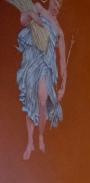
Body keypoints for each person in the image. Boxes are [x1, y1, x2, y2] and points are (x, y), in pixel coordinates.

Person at [14, 0, 68, 160]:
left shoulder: (59, 31)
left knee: (42, 97)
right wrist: (30, 15)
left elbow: (62, 60)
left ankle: (41, 136)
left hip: (47, 63)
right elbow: (23, 21)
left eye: (60, 6)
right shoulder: (38, 8)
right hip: (33, 58)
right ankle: (30, 141)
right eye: (56, 3)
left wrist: (63, 86)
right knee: (31, 101)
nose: (57, 7)